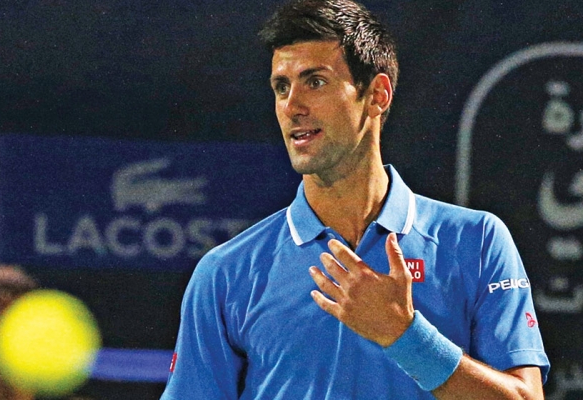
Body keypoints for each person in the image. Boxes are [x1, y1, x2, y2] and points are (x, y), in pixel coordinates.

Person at [160, 0, 550, 398]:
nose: (292, 107)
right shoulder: (224, 273)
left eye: (315, 82)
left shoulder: (478, 241)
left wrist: (403, 335)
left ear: (378, 94)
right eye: (281, 87)